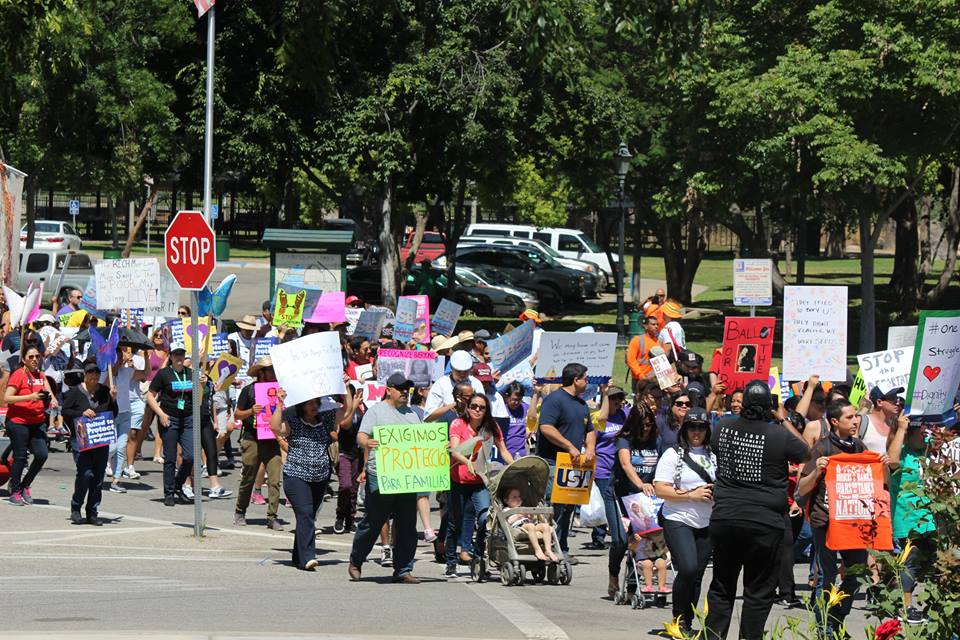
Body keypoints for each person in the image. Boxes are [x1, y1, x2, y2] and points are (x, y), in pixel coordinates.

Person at [704, 380, 808, 640]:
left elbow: (715, 447)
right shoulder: (779, 434)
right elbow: (806, 452)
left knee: (721, 586)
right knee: (758, 592)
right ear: (769, 407)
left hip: (726, 517)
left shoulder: (724, 427)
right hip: (765, 522)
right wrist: (782, 419)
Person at [348, 372, 423, 584]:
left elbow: (422, 443)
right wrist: (366, 442)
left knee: (407, 524)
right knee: (373, 521)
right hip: (380, 475)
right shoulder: (376, 412)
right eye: (400, 389)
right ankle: (356, 560)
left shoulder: (413, 415)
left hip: (406, 477)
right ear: (388, 389)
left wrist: (437, 448)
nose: (404, 393)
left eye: (406, 389)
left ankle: (403, 569)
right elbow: (361, 435)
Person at [270, 388, 352, 570]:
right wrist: (279, 403)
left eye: (316, 402)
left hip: (320, 477)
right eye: (310, 403)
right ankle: (308, 557)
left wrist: (345, 387)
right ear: (301, 406)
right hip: (296, 476)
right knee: (305, 513)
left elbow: (346, 410)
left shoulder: (325, 419)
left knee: (308, 516)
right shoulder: (293, 421)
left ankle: (298, 555)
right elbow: (275, 427)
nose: (314, 406)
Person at [654, 407, 716, 634]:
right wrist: (691, 495)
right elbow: (660, 489)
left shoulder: (714, 454)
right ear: (685, 429)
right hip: (678, 518)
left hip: (707, 521)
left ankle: (687, 622)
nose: (696, 432)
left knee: (697, 575)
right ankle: (677, 619)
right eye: (692, 427)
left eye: (701, 427)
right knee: (688, 569)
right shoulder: (673, 454)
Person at [444, 392, 514, 577]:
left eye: (482, 407)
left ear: (486, 411)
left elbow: (503, 450)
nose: (477, 410)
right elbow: (454, 449)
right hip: (458, 480)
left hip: (481, 481)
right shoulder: (458, 424)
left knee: (484, 519)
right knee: (455, 522)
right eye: (474, 406)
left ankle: (477, 557)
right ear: (468, 407)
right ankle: (451, 561)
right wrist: (466, 461)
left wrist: (514, 465)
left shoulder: (491, 427)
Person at [536, 362, 596, 565]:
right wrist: (570, 446)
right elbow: (546, 427)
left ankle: (562, 546)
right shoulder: (555, 400)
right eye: (585, 378)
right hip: (553, 462)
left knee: (569, 506)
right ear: (575, 380)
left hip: (574, 465)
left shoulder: (582, 404)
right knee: (554, 507)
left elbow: (590, 429)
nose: (587, 382)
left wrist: (589, 448)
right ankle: (548, 547)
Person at [608, 403, 659, 596]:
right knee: (621, 541)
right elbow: (625, 464)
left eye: (649, 424)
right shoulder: (624, 439)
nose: (646, 429)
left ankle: (631, 585)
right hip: (619, 495)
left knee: (639, 541)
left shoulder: (656, 440)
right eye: (643, 425)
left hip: (643, 500)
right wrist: (640, 484)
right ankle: (613, 574)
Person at [886, 415, 932, 625]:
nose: (925, 436)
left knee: (930, 561)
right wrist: (902, 428)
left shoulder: (924, 453)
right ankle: (906, 607)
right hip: (908, 519)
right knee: (910, 563)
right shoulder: (901, 455)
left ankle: (889, 592)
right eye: (921, 433)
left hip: (930, 519)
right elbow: (892, 461)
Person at [61, 361, 118, 525]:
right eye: (91, 373)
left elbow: (113, 413)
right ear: (85, 375)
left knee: (98, 477)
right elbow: (65, 411)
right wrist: (81, 412)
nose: (94, 376)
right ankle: (76, 508)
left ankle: (92, 511)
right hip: (81, 440)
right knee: (85, 474)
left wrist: (113, 400)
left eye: (97, 373)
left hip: (100, 440)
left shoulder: (105, 391)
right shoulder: (76, 392)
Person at [233, 357, 284, 530]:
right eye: (270, 370)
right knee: (248, 476)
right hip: (252, 438)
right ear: (261, 373)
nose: (273, 374)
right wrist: (250, 411)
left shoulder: (280, 391)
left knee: (275, 479)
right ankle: (240, 511)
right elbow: (237, 414)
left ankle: (272, 516)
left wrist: (281, 402)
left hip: (272, 439)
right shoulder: (249, 391)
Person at [5, 344, 58, 505]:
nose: (35, 360)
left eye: (37, 356)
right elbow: (7, 398)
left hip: (37, 422)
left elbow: (49, 392)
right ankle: (15, 491)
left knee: (42, 454)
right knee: (20, 457)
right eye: (31, 357)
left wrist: (53, 400)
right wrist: (30, 397)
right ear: (24, 360)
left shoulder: (41, 375)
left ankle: (25, 485)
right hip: (18, 422)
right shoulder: (18, 375)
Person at [146, 341, 196, 506]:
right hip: (169, 419)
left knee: (189, 457)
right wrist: (160, 414)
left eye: (181, 354)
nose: (179, 358)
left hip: (187, 419)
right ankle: (169, 492)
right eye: (176, 355)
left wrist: (202, 381)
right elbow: (150, 395)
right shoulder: (163, 374)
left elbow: (200, 394)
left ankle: (177, 485)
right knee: (170, 458)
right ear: (171, 356)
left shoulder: (190, 373)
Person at [588, 385, 628, 551]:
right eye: (614, 398)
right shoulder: (598, 418)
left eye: (620, 398)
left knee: (619, 502)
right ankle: (598, 536)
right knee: (604, 502)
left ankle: (621, 533)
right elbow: (591, 442)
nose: (618, 402)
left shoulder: (623, 416)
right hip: (603, 467)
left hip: (620, 467)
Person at [109, 347, 150, 493]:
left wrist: (146, 357)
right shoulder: (105, 374)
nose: (121, 359)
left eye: (122, 357)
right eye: (117, 357)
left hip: (125, 413)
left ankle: (116, 480)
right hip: (110, 415)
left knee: (121, 448)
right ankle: (97, 469)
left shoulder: (126, 372)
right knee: (111, 448)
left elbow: (146, 374)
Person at [334, 383, 366, 534]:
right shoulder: (339, 411)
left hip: (357, 453)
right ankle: (340, 517)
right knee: (345, 485)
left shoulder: (362, 410)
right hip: (343, 452)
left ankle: (350, 520)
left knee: (353, 489)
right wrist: (352, 407)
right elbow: (345, 425)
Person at [423, 350, 484, 419]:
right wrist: (453, 406)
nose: (462, 374)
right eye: (458, 371)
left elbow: (484, 409)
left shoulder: (476, 383)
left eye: (465, 371)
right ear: (451, 367)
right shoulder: (441, 384)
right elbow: (428, 417)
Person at [503, 487, 558, 562]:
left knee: (545, 526)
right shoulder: (506, 510)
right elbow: (507, 522)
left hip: (529, 524)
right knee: (531, 526)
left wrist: (531, 516)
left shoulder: (523, 508)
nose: (518, 498)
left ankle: (548, 550)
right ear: (506, 500)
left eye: (519, 496)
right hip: (518, 527)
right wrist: (518, 515)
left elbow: (533, 519)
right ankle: (537, 549)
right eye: (514, 497)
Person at [626, 316, 664, 385]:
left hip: (656, 379)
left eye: (657, 324)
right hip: (640, 379)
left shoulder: (659, 341)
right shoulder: (637, 340)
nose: (656, 326)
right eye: (653, 324)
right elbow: (631, 360)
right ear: (646, 326)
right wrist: (641, 376)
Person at [501, 381, 530, 460]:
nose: (516, 403)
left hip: (521, 455)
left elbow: (534, 417)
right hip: (504, 454)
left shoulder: (526, 408)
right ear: (507, 397)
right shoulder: (501, 410)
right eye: (514, 399)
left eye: (519, 400)